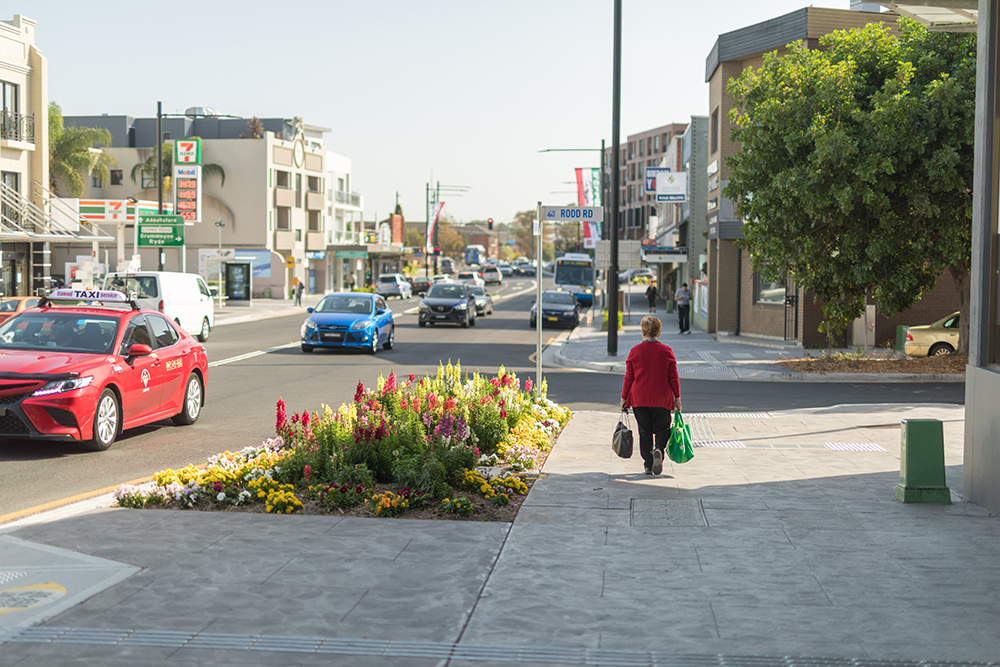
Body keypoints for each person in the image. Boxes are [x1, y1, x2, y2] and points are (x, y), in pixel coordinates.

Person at [620, 316, 682, 475]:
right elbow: (673, 377)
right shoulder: (667, 351)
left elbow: (629, 377)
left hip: (639, 398)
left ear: (642, 331)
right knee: (663, 428)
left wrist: (624, 398)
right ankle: (659, 450)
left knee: (644, 431)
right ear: (659, 333)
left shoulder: (635, 351)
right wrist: (677, 398)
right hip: (662, 398)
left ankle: (648, 464)